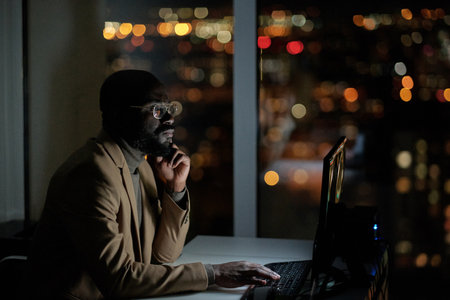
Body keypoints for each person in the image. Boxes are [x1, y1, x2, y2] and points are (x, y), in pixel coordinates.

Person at [26, 69, 279, 299]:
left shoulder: (142, 167)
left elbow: (163, 257)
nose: (170, 118)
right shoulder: (90, 175)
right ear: (119, 114)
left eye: (170, 108)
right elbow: (121, 280)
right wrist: (214, 273)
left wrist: (175, 189)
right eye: (157, 110)